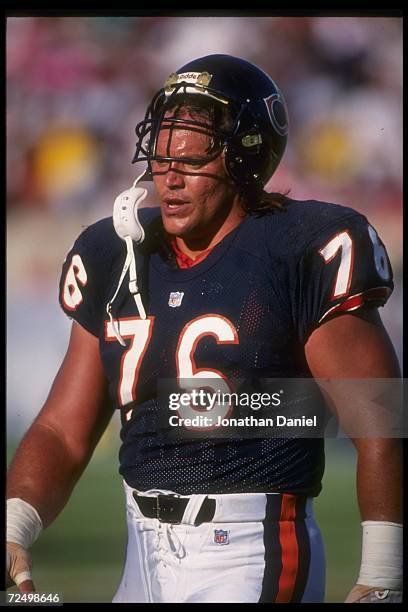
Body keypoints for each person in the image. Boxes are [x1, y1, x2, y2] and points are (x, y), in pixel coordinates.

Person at [6, 54, 402, 604]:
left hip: (250, 547)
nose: (169, 177)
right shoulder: (115, 253)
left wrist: (384, 573)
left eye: (190, 162)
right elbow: (62, 429)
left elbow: (381, 419)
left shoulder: (301, 247)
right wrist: (15, 523)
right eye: (162, 156)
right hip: (142, 553)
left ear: (245, 160)